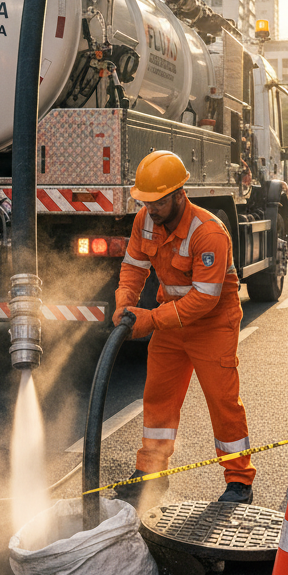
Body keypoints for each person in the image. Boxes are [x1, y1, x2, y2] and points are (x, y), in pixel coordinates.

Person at [111, 150, 255, 508]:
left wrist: (149, 320)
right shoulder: (145, 220)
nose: (150, 209)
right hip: (171, 324)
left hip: (212, 325)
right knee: (158, 398)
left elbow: (204, 300)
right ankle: (152, 474)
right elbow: (133, 267)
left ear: (179, 194)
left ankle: (239, 481)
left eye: (157, 201)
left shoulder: (208, 233)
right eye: (145, 201)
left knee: (223, 402)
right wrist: (124, 303)